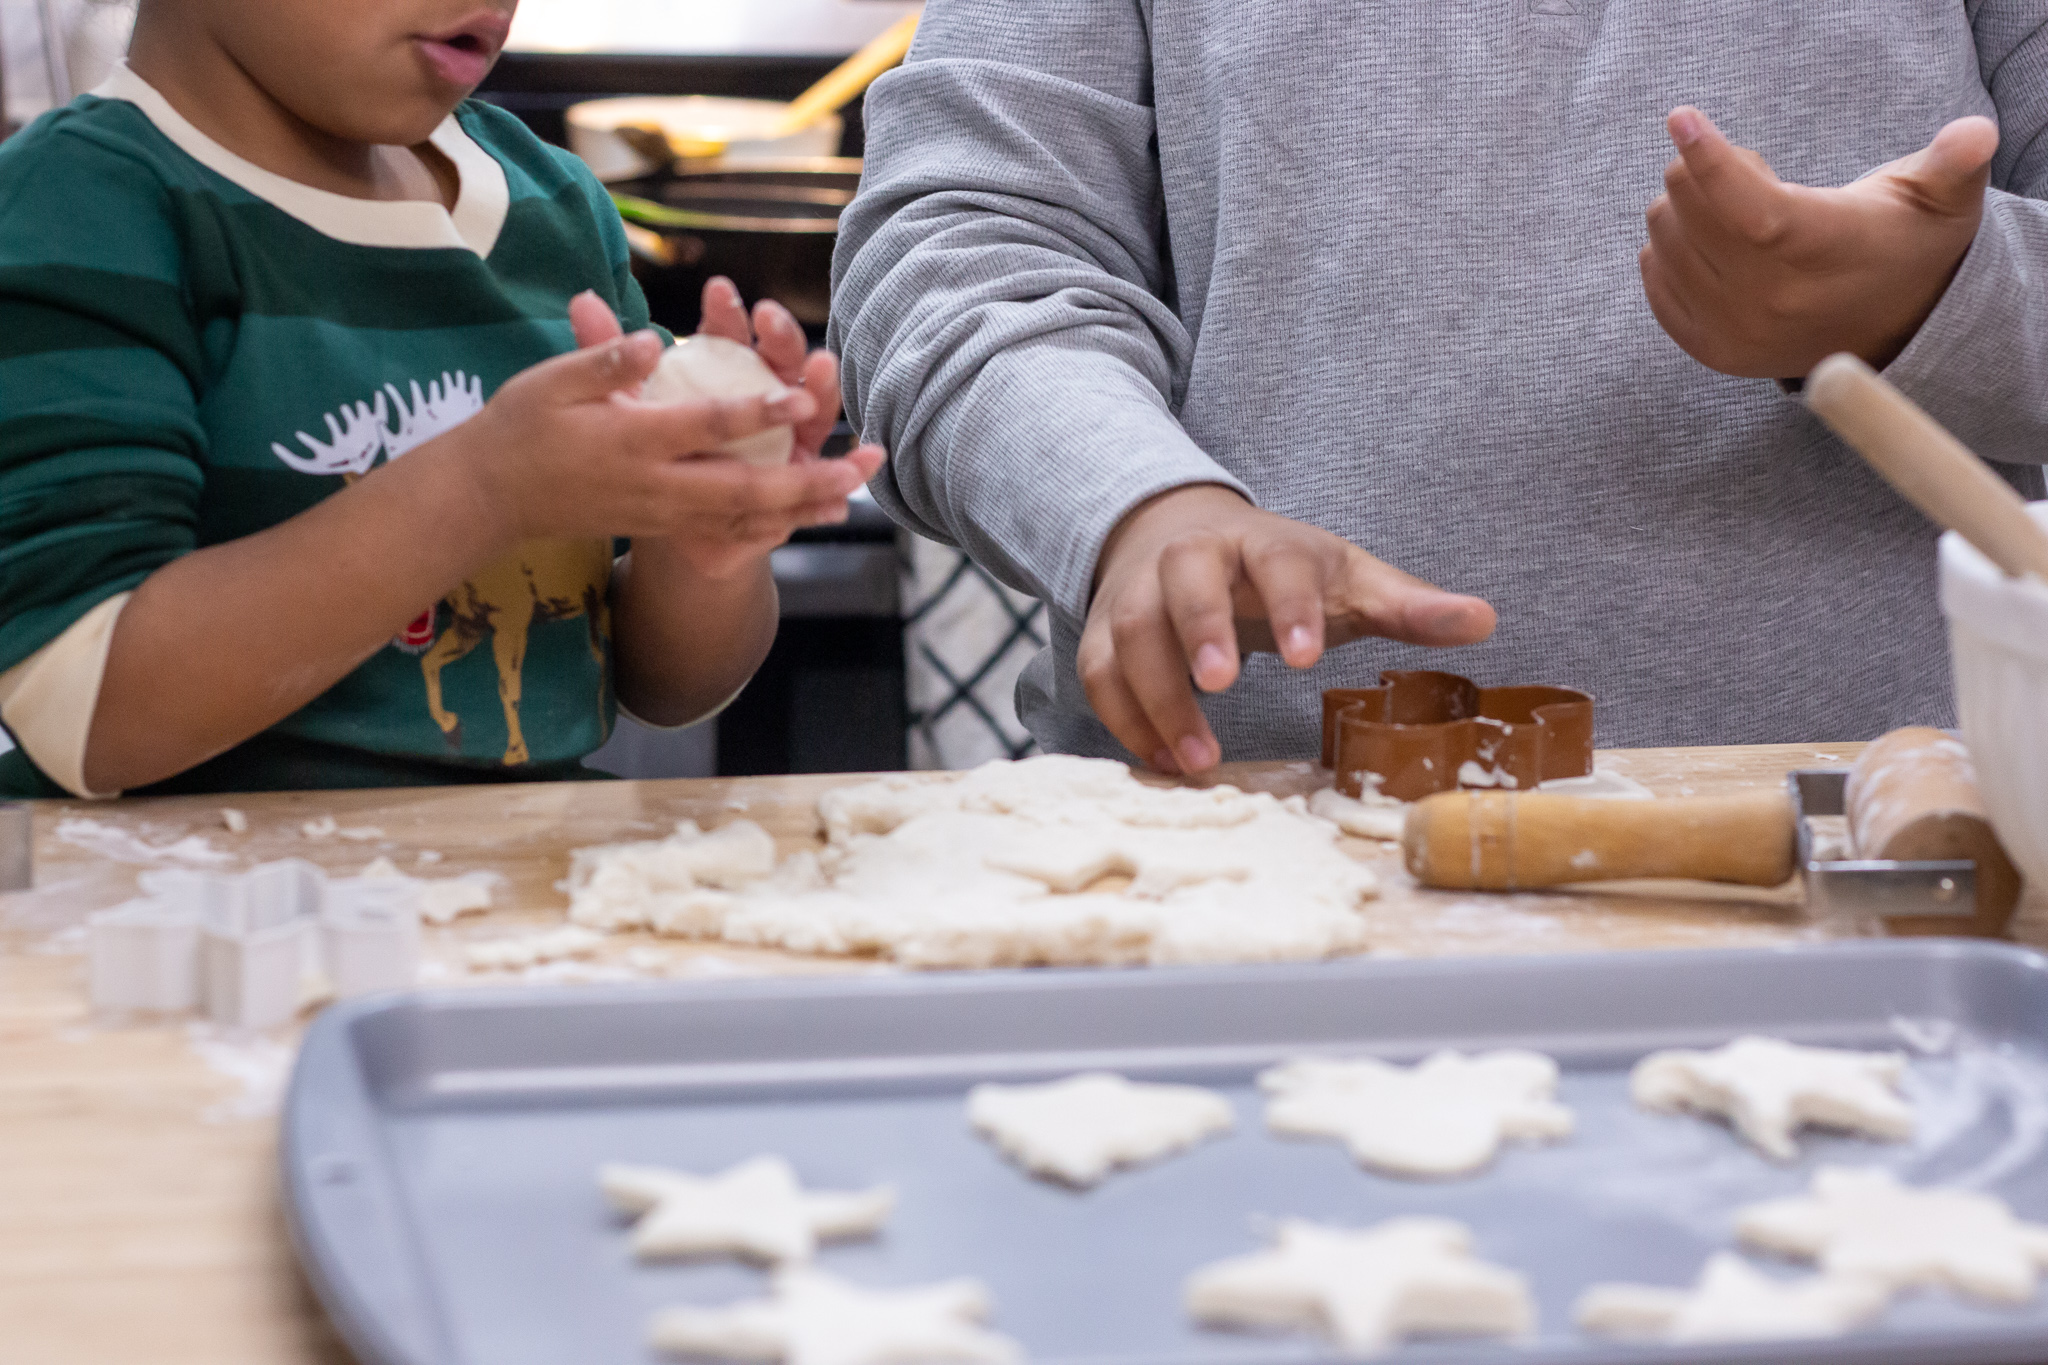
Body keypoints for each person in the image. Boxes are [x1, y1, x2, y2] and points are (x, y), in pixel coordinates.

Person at [831, 1, 2047, 775]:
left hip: (1884, 852)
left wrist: (1941, 304)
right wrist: (1136, 504)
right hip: (1233, 855)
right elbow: (955, 252)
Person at [0, 0, 884, 797]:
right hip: (201, 939)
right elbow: (90, 714)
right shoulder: (78, 208)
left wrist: (700, 551)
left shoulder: (554, 203)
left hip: (513, 915)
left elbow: (663, 685)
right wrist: (483, 488)